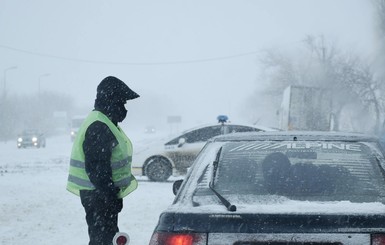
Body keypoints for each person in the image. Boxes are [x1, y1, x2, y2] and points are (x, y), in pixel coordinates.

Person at [66, 76, 140, 245]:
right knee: (103, 241)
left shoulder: (105, 121)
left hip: (100, 196)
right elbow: (98, 170)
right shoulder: (99, 126)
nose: (124, 108)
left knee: (106, 239)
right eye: (122, 102)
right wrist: (110, 197)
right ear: (112, 101)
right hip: (98, 197)